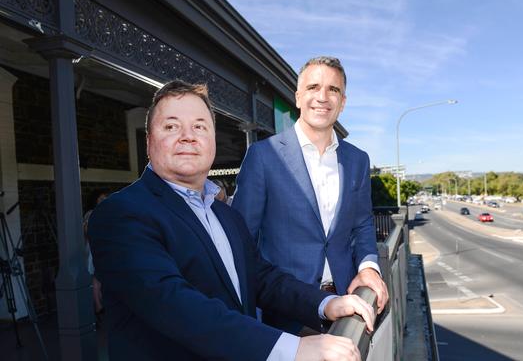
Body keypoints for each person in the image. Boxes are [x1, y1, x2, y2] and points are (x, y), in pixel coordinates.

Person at [88, 80, 375, 361]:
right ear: (149, 142)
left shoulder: (224, 214)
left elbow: (262, 279)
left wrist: (325, 304)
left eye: (199, 126)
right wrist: (293, 349)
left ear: (212, 140)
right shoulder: (122, 214)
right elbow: (173, 305)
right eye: (171, 126)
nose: (188, 136)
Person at [232, 56, 388, 334]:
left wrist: (369, 268)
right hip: (285, 313)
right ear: (298, 97)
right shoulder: (263, 156)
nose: (323, 97)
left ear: (343, 102)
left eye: (333, 90)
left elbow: (362, 224)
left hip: (347, 306)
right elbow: (242, 241)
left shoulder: (358, 160)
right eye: (314, 87)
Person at [82, 189, 109, 317]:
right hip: (93, 249)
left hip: (99, 248)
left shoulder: (101, 213)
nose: (104, 200)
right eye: (101, 198)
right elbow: (88, 231)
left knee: (98, 279)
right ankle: (98, 306)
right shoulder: (91, 214)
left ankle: (100, 304)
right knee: (95, 279)